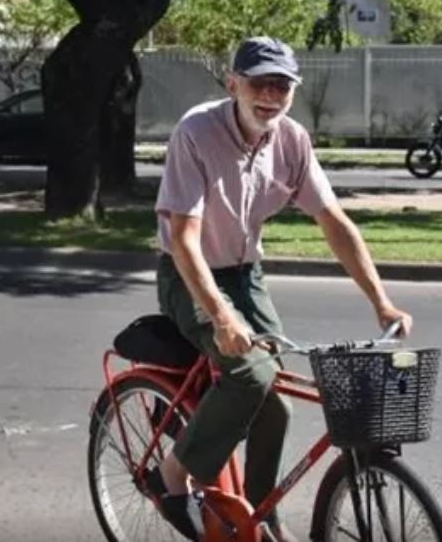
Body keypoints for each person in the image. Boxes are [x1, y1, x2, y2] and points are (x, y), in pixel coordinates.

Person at [150, 36, 413, 542]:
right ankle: (172, 476)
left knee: (277, 401)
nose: (269, 95)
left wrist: (381, 302)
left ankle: (254, 515)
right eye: (258, 82)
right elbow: (183, 239)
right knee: (250, 375)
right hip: (190, 273)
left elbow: (333, 221)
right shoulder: (196, 132)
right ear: (232, 83)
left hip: (246, 274)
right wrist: (222, 317)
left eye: (282, 85)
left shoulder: (292, 139)